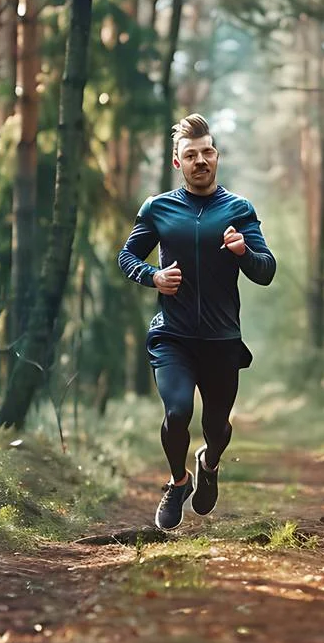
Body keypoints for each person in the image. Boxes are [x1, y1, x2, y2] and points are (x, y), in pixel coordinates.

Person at [118, 113, 277, 531]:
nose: (201, 160)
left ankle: (209, 463)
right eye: (191, 155)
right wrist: (151, 276)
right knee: (177, 411)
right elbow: (126, 256)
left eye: (207, 152)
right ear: (178, 162)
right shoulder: (158, 208)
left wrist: (244, 252)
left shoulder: (238, 209)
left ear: (217, 156)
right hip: (173, 335)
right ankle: (178, 481)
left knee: (217, 425)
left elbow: (266, 270)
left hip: (222, 339)